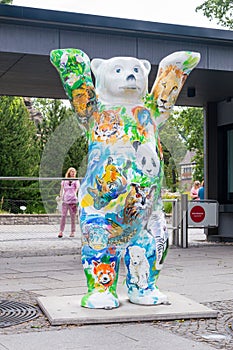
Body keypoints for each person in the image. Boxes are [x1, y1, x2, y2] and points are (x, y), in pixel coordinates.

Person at [58, 167, 80, 238]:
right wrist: (60, 197)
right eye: (72, 172)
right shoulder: (64, 180)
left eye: (74, 172)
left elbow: (77, 190)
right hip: (65, 200)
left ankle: (72, 232)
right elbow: (61, 190)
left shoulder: (76, 181)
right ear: (69, 172)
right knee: (63, 216)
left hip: (73, 200)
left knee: (73, 217)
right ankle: (61, 231)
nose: (73, 173)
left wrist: (76, 198)